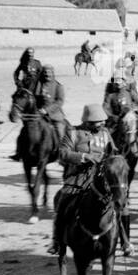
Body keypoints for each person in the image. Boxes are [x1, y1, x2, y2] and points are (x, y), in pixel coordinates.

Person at [48, 104, 118, 257]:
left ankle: (124, 241)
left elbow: (113, 153)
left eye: (103, 121)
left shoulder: (105, 133)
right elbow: (63, 153)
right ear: (88, 122)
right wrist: (84, 157)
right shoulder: (73, 133)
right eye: (98, 122)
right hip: (78, 179)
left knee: (119, 203)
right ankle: (57, 240)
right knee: (61, 203)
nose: (102, 124)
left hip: (101, 178)